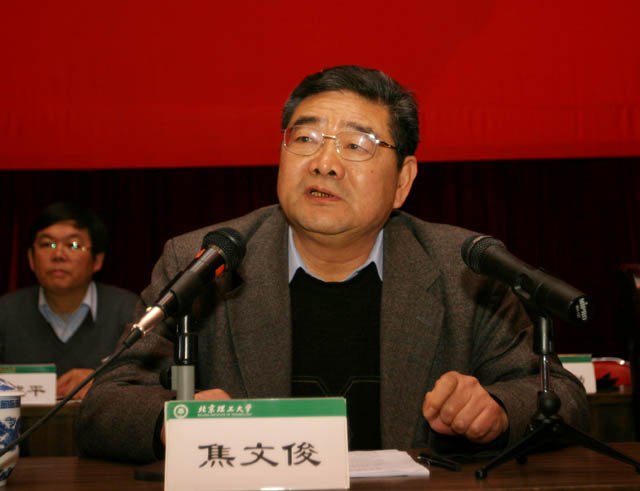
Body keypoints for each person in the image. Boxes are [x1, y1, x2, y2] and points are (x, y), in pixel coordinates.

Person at [76, 65, 589, 463]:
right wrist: (175, 423)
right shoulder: (205, 262)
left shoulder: (464, 272)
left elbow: (561, 397)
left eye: (356, 145)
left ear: (403, 181)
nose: (324, 163)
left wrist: (497, 410)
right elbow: (105, 404)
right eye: (305, 139)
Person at [0, 202, 138, 399]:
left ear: (97, 260)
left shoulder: (128, 310)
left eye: (73, 245)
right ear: (31, 258)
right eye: (47, 244)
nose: (58, 255)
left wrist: (102, 382)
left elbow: (149, 380)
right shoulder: (5, 312)